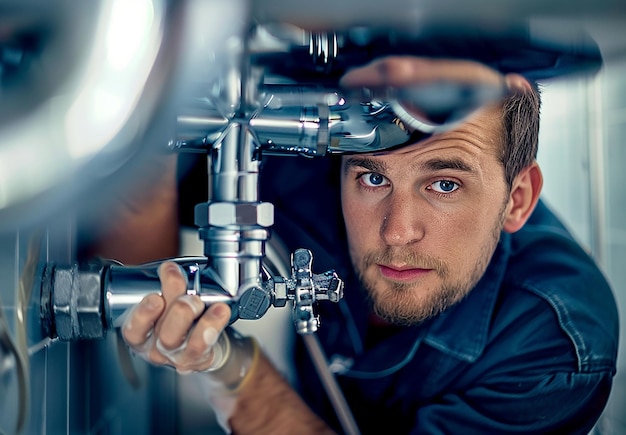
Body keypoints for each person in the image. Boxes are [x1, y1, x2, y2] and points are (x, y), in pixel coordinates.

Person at [116, 57, 619, 434]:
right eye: (373, 179)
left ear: (518, 200)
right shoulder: (307, 163)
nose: (397, 231)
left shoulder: (553, 351)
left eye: (444, 185)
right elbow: (136, 198)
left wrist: (233, 372)